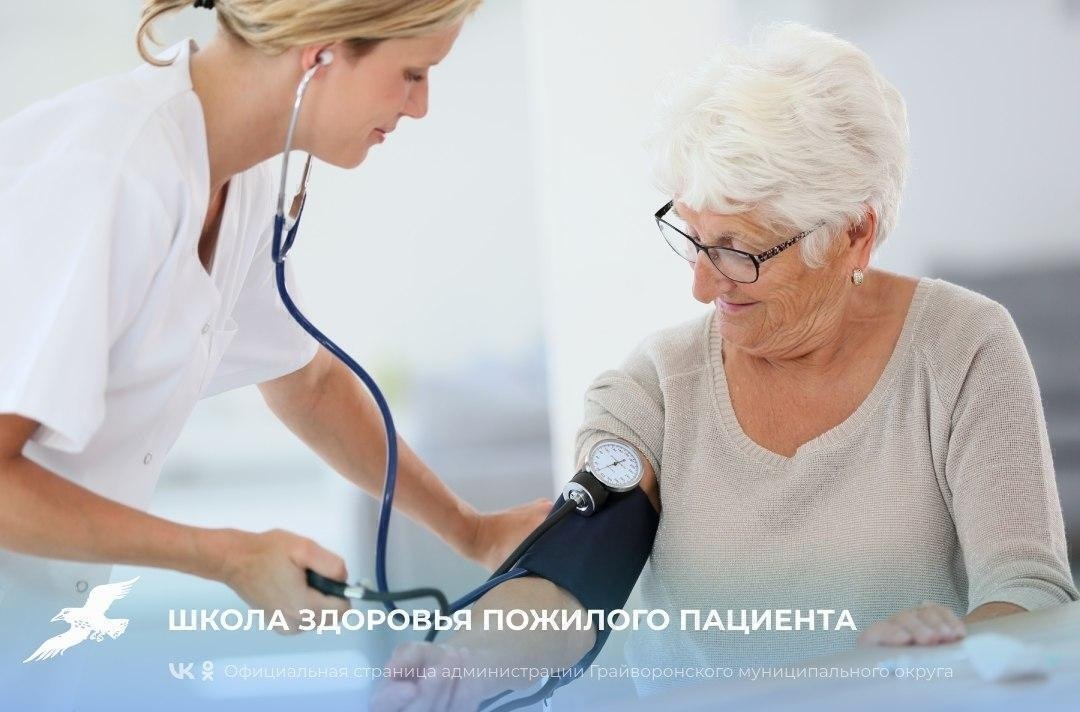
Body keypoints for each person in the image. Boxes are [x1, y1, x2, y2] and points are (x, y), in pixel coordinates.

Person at [370, 23, 1079, 711]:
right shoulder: (655, 386)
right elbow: (573, 573)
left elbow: (1030, 591)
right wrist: (465, 661)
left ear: (854, 232)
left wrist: (947, 654)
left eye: (738, 251)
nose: (703, 286)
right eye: (693, 238)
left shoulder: (962, 347)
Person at [0, 0, 549, 704]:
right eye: (413, 74)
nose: (421, 106)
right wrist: (228, 556)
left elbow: (308, 385)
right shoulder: (112, 170)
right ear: (319, 54)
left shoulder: (239, 177)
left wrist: (472, 532)